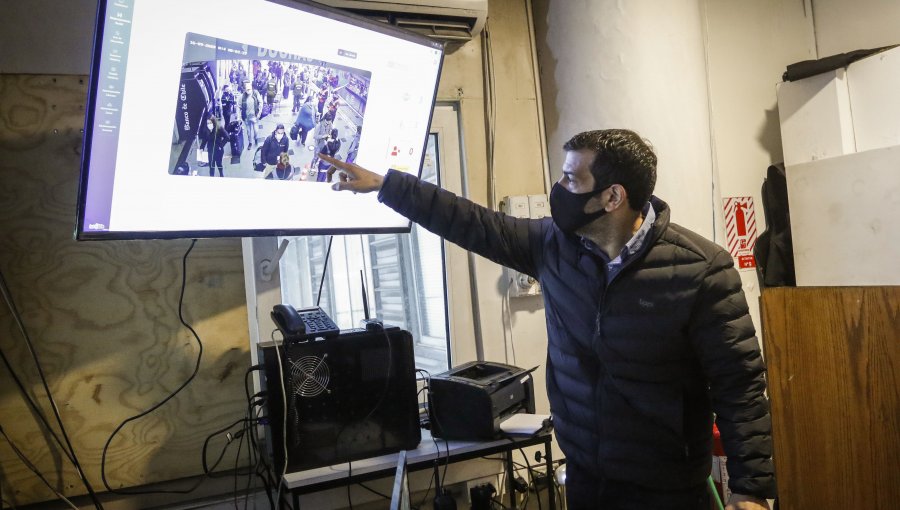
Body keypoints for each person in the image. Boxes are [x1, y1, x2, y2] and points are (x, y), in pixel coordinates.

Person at [319, 129, 777, 510]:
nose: (559, 189)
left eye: (571, 179)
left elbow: (740, 387)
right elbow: (470, 222)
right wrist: (386, 186)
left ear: (612, 197)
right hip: (586, 479)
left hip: (668, 489)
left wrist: (751, 491)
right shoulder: (551, 245)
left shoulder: (701, 270)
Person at [240, 80, 262, 150]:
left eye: (249, 89)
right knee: (249, 132)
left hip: (254, 117)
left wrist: (259, 113)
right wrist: (239, 117)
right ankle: (250, 143)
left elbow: (261, 102)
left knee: (256, 131)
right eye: (246, 90)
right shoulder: (243, 96)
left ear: (251, 88)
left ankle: (255, 138)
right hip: (246, 117)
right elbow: (238, 106)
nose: (248, 91)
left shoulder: (255, 93)